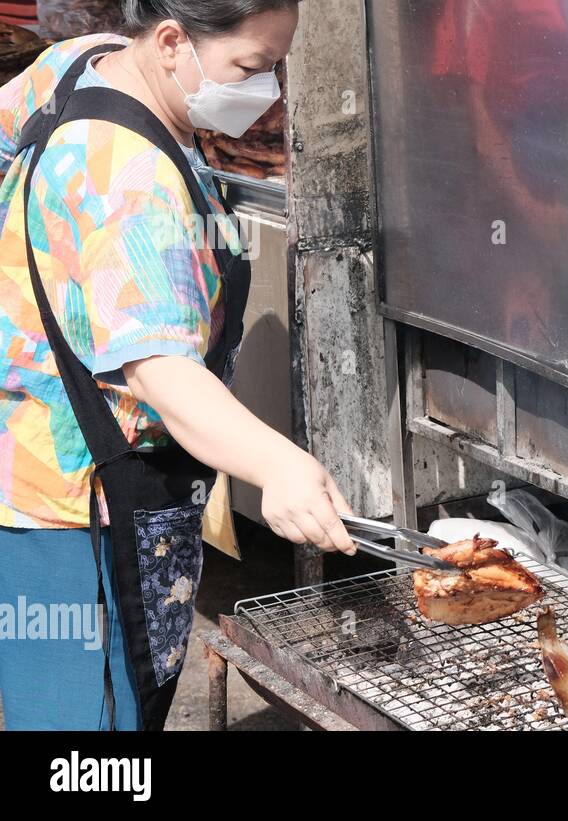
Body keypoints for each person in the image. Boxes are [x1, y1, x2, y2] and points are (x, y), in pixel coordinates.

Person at [0, 0, 356, 731]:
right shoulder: (137, 184)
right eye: (252, 69)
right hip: (78, 509)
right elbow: (163, 371)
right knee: (87, 737)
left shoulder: (86, 59)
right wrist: (279, 464)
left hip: (25, 460)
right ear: (171, 42)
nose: (270, 96)